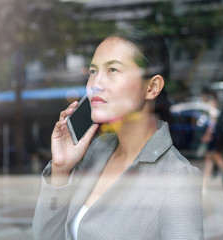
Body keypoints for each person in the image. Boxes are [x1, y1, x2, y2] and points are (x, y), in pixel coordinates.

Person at [32, 27, 204, 240]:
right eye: (93, 71)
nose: (95, 84)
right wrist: (60, 170)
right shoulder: (94, 152)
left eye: (113, 70)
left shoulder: (177, 178)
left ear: (152, 87)